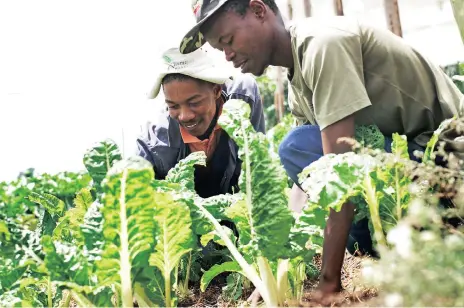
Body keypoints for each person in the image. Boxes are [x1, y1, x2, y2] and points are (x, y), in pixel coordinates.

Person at [177, 0, 464, 300]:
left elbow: (336, 172)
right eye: (220, 48)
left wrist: (328, 283)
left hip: (448, 164)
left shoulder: (323, 45)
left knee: (296, 148)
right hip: (411, 171)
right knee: (313, 175)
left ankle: (437, 231)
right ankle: (410, 247)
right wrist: (275, 272)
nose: (228, 55)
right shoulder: (298, 82)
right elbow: (308, 186)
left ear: (259, 10)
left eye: (228, 40)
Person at [137, 47, 265, 199]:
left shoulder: (243, 98)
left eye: (194, 103)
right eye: (173, 106)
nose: (184, 116)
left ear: (216, 91)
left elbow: (258, 168)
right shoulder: (154, 146)